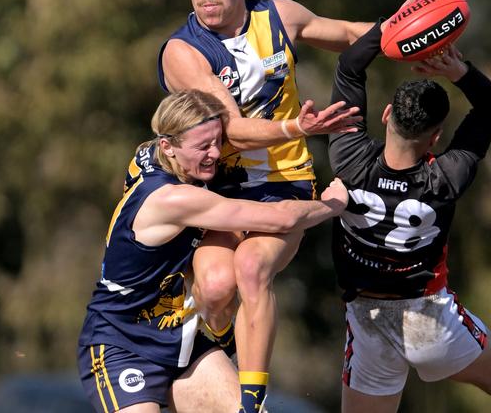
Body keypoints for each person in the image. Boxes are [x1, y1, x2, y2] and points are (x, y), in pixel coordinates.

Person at [158, 0, 378, 411]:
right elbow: (231, 130)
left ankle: (250, 402)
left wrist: (412, 28)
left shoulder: (279, 17)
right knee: (215, 286)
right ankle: (220, 346)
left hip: (286, 184)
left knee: (252, 267)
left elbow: (348, 35)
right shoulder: (183, 52)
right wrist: (297, 128)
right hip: (222, 192)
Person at [327, 3, 491, 412]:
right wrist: (456, 69)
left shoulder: (347, 157)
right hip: (429, 320)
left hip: (367, 319)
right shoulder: (447, 178)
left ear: (387, 114)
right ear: (437, 135)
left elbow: (349, 67)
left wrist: (393, 24)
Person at [77, 90, 348, 413]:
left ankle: (222, 335)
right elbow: (283, 217)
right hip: (121, 344)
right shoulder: (172, 199)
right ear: (168, 146)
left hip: (181, 339)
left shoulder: (150, 155)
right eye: (202, 146)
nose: (215, 154)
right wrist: (333, 204)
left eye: (218, 142)